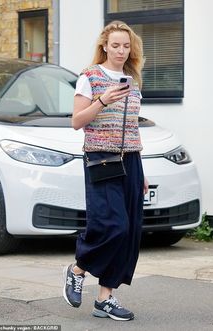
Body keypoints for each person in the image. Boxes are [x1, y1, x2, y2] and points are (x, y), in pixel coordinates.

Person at [63, 20, 149, 321]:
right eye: (116, 45)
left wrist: (142, 172)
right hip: (101, 159)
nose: (121, 51)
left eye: (126, 46)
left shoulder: (132, 80)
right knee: (113, 226)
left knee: (129, 234)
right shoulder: (91, 77)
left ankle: (105, 297)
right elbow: (77, 121)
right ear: (104, 46)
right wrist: (102, 100)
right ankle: (77, 269)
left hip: (131, 161)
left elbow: (131, 128)